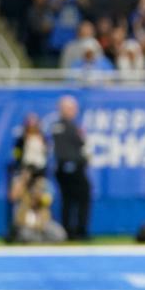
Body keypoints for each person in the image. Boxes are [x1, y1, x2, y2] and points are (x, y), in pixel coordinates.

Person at [51, 95, 91, 240]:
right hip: (72, 168)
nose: (75, 111)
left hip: (63, 169)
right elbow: (78, 145)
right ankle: (79, 230)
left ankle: (69, 230)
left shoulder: (57, 127)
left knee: (67, 200)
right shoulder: (69, 127)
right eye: (72, 108)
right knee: (80, 198)